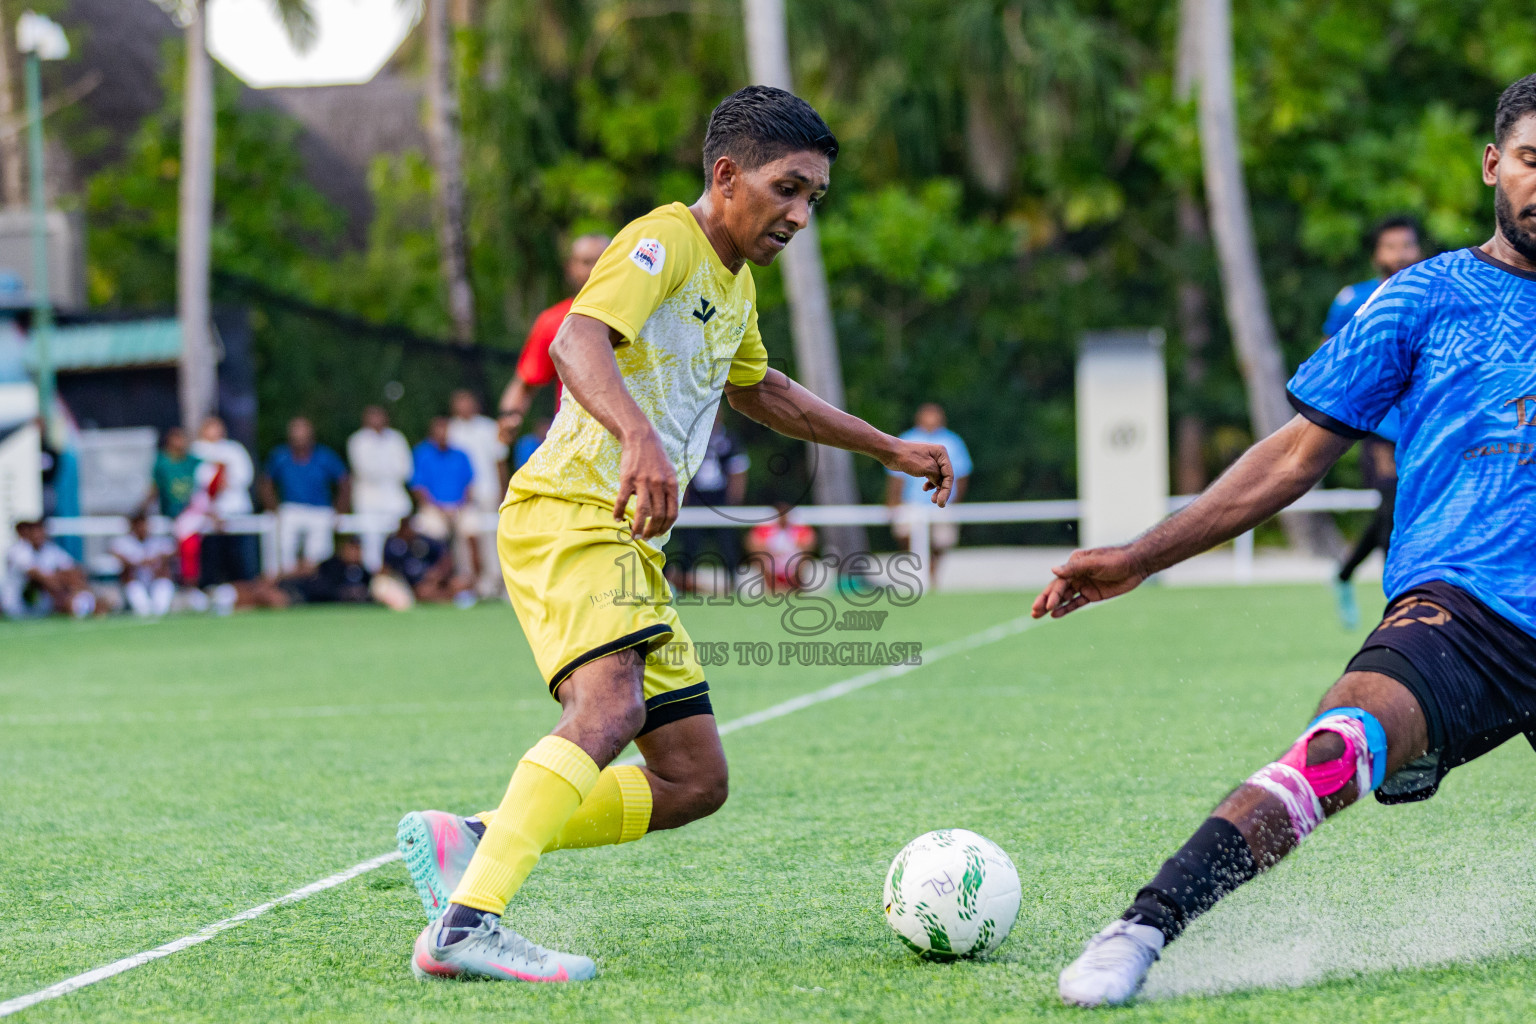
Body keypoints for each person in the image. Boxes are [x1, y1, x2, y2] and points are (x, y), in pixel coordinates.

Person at [393, 84, 953, 985]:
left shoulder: (733, 283)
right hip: (569, 512)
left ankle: (475, 838)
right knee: (608, 709)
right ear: (726, 176)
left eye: (814, 197)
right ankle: (467, 924)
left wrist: (887, 446)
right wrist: (638, 436)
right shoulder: (664, 238)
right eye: (787, 189)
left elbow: (762, 391)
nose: (801, 215)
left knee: (694, 780)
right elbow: (577, 340)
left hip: (627, 546)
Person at [1048, 74, 1536, 1008]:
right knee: (1338, 748)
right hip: (1464, 611)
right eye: (1531, 160)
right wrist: (1141, 555)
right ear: (1492, 165)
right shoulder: (1421, 298)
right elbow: (1291, 459)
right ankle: (1142, 928)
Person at [1324, 218, 1425, 629]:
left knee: (1398, 510)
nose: (1400, 254)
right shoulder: (1354, 299)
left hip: (1424, 427)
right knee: (1391, 508)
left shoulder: (1436, 293)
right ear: (1376, 254)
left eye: (1407, 245)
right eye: (1391, 246)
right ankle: (1398, 609)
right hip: (1380, 428)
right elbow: (1329, 358)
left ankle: (1345, 573)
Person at [495, 232, 612, 443]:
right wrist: (509, 417)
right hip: (578, 442)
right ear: (570, 268)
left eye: (603, 260)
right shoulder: (554, 321)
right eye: (586, 262)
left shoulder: (643, 312)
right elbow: (524, 384)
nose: (595, 268)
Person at [885, 403, 972, 583]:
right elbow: (896, 476)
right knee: (905, 533)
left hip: (942, 503)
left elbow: (962, 474)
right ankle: (920, 570)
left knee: (942, 540)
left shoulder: (952, 441)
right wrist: (893, 501)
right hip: (912, 502)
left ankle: (931, 574)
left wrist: (954, 501)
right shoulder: (907, 439)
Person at [260, 417, 350, 572]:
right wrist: (273, 507)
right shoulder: (281, 455)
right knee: (284, 550)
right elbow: (266, 482)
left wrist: (340, 508)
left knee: (319, 555)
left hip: (320, 509)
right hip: (290, 509)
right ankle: (285, 581)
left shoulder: (324, 456)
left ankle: (316, 582)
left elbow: (344, 481)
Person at [675, 409, 750, 591]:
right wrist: (683, 496)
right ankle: (684, 583)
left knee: (727, 542)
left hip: (720, 496)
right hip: (696, 496)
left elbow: (738, 469)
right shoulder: (690, 438)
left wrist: (734, 500)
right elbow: (681, 468)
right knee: (690, 542)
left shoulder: (729, 439)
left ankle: (733, 583)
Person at [447, 390, 508, 590]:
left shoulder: (489, 427)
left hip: (488, 490)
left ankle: (496, 580)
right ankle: (470, 582)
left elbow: (500, 461)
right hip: (462, 495)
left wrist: (504, 491)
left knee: (492, 537)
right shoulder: (451, 430)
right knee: (465, 538)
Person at [192, 416, 259, 586]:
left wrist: (227, 481)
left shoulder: (234, 449)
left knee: (239, 556)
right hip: (208, 513)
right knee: (211, 558)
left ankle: (243, 589)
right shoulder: (195, 450)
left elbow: (245, 476)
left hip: (235, 510)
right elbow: (196, 480)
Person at [347, 405, 414, 571]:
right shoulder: (358, 441)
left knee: (404, 533)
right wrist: (388, 472)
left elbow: (406, 470)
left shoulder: (396, 438)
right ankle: (374, 574)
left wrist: (386, 473)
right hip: (369, 498)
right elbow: (365, 470)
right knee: (372, 540)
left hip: (395, 496)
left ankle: (403, 571)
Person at [2, 519, 94, 619]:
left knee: (70, 577)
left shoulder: (50, 549)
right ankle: (76, 603)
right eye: (34, 531)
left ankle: (84, 601)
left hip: (41, 603)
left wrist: (75, 586)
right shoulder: (18, 551)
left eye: (40, 530)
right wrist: (65, 586)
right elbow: (39, 577)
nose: (37, 534)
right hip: (17, 604)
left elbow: (73, 569)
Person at [410, 417, 477, 549]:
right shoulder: (422, 454)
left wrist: (460, 506)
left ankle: (472, 563)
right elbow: (418, 487)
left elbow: (469, 485)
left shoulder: (461, 455)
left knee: (472, 526)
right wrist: (439, 509)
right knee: (433, 529)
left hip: (460, 507)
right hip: (433, 508)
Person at [381, 516, 474, 606]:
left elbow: (445, 557)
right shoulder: (392, 546)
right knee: (424, 592)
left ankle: (453, 598)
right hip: (413, 585)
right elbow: (387, 569)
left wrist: (437, 574)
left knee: (459, 584)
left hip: (436, 579)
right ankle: (448, 601)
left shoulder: (423, 541)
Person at [110, 512, 177, 617]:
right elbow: (116, 554)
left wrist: (158, 560)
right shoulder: (125, 542)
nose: (142, 528)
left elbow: (172, 551)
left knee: (162, 600)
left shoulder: (157, 540)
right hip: (136, 581)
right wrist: (139, 563)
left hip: (155, 580)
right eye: (139, 525)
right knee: (142, 608)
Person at [278, 535, 374, 606]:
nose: (355, 553)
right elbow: (321, 589)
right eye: (352, 548)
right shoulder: (331, 565)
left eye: (357, 549)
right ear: (344, 549)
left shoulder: (363, 570)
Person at [744, 502, 816, 594]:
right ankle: (771, 588)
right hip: (772, 563)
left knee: (805, 558)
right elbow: (752, 543)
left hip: (793, 563)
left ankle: (797, 588)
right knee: (759, 558)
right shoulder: (766, 529)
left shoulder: (798, 529)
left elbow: (809, 543)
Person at [144, 426, 199, 519]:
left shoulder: (192, 460)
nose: (180, 442)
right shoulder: (161, 462)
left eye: (182, 438)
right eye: (176, 438)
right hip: (169, 512)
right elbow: (154, 487)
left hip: (190, 512)